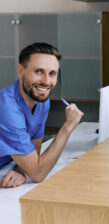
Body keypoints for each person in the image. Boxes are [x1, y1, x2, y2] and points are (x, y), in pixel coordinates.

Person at [0, 43, 84, 188]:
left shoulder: (41, 100)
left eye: (52, 73)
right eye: (38, 71)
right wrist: (67, 127)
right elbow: (38, 174)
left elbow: (35, 150)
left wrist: (22, 169)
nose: (46, 81)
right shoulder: (7, 107)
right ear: (21, 71)